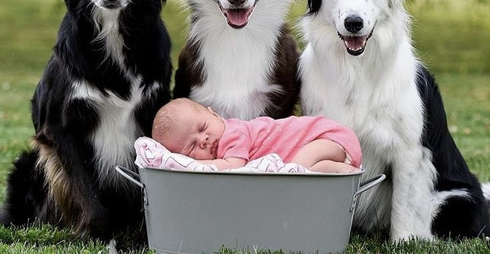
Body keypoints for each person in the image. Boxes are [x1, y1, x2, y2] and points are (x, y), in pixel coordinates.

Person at [151, 98, 362, 173]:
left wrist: (197, 166)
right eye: (191, 149)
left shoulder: (234, 134)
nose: (203, 140)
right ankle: (336, 168)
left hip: (326, 136)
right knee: (305, 169)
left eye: (203, 127)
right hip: (328, 143)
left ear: (214, 114)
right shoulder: (222, 139)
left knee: (298, 169)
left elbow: (234, 167)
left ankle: (346, 173)